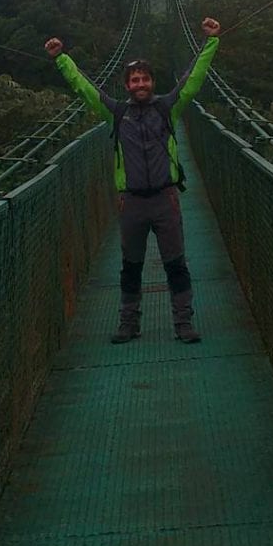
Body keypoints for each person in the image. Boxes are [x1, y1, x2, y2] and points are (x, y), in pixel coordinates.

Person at [44, 19, 221, 344]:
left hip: (165, 199)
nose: (140, 84)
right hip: (132, 203)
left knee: (175, 264)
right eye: (134, 80)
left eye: (145, 79)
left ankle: (183, 323)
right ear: (126, 86)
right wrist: (61, 59)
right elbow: (84, 88)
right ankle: (129, 324)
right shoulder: (116, 113)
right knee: (131, 266)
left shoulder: (169, 107)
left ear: (152, 82)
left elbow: (192, 80)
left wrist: (211, 42)